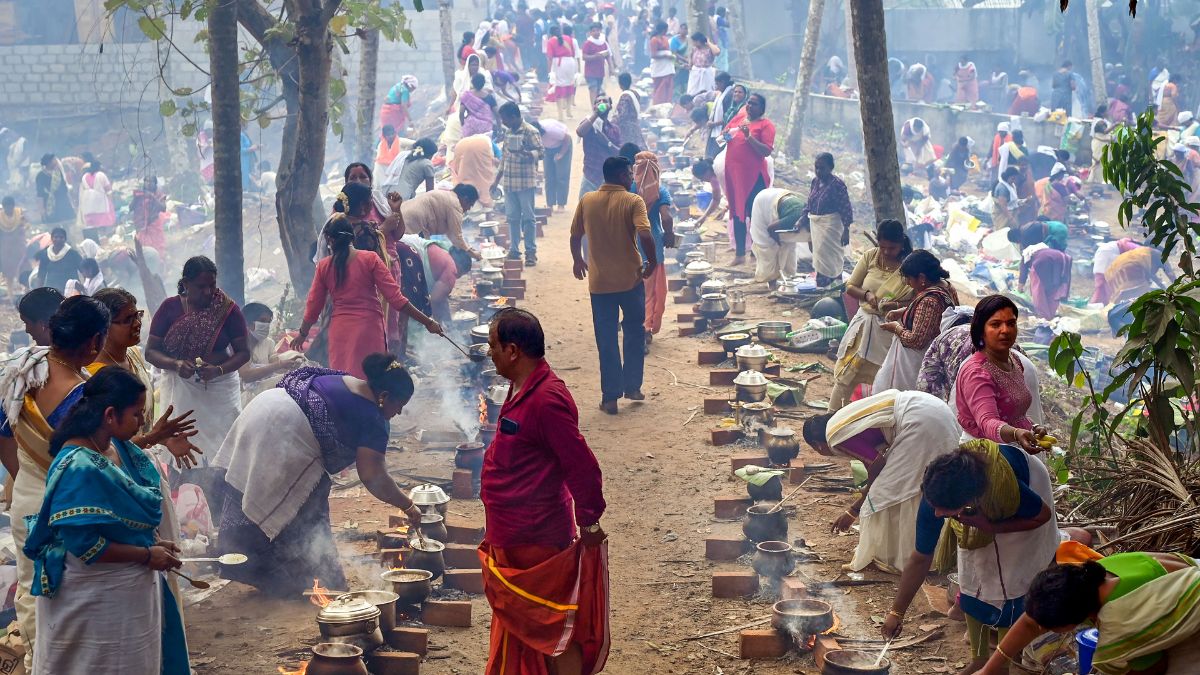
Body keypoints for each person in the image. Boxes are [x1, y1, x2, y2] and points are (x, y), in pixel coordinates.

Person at [213, 354, 428, 596]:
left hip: (262, 409)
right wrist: (408, 506)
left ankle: (253, 567)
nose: (398, 412)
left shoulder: (348, 381)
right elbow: (372, 475)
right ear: (384, 396)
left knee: (262, 490)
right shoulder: (373, 418)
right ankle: (312, 580)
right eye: (399, 404)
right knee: (310, 505)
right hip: (283, 434)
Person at [23, 367, 189, 674]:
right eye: (138, 414)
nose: (143, 422)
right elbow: (84, 545)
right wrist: (145, 554)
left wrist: (151, 541)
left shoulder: (117, 447)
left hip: (128, 598)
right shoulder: (78, 466)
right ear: (110, 415)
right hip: (94, 600)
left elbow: (119, 521)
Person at [479, 308, 609, 674]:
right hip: (511, 532)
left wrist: (590, 520)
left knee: (551, 628)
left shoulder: (547, 399)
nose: (490, 352)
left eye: (494, 345)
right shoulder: (520, 386)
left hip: (536, 536)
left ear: (514, 351)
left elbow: (580, 463)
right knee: (524, 626)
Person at [882, 441, 1059, 675]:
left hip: (1025, 514)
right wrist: (897, 612)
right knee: (973, 577)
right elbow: (921, 557)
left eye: (944, 510)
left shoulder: (1004, 489)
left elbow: (1042, 516)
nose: (937, 514)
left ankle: (1003, 662)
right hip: (978, 511)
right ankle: (980, 659)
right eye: (935, 507)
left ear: (970, 501)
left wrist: (989, 524)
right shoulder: (939, 491)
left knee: (1011, 585)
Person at [0, 295, 108, 667]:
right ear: (94, 342)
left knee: (33, 596)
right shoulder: (86, 395)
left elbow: (4, 436)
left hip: (29, 503)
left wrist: (27, 479)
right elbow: (98, 459)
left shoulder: (18, 371)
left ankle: (38, 665)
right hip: (71, 508)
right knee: (73, 599)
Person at [804, 389, 960, 573]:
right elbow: (873, 459)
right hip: (933, 410)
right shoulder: (840, 419)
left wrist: (855, 508)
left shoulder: (833, 437)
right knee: (914, 485)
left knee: (885, 492)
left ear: (818, 445)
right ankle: (924, 552)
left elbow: (877, 464)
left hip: (920, 424)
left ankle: (898, 558)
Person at [978, 548, 1200, 675]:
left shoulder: (1118, 622)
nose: (1040, 629)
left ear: (1074, 623)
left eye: (1047, 627)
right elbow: (1029, 622)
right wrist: (988, 670)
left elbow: (1154, 667)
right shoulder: (1092, 575)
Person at [144, 256, 251, 500]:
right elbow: (151, 352)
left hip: (221, 389)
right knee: (182, 438)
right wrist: (176, 363)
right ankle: (186, 501)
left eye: (212, 285)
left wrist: (219, 369)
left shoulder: (227, 310)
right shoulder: (169, 309)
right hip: (181, 388)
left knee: (225, 443)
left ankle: (226, 500)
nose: (209, 292)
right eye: (201, 286)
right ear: (185, 284)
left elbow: (243, 352)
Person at [294, 217, 442, 378]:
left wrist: (302, 334)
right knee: (370, 380)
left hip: (340, 331)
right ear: (353, 237)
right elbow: (397, 299)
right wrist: (428, 322)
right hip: (369, 329)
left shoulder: (324, 266)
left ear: (329, 239)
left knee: (344, 380)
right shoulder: (370, 259)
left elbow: (313, 305)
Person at [570, 156, 656, 415]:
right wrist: (651, 261)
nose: (632, 177)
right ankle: (632, 386)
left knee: (606, 339)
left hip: (600, 284)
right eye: (629, 173)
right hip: (630, 279)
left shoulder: (587, 200)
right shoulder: (633, 201)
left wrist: (578, 260)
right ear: (621, 176)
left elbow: (575, 235)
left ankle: (610, 398)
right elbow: (644, 233)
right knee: (633, 331)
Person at [830, 220, 914, 410]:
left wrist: (896, 305)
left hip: (890, 330)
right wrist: (867, 295)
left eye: (891, 248)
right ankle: (830, 417)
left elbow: (918, 299)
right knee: (846, 375)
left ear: (901, 243)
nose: (885, 252)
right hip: (863, 328)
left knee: (883, 382)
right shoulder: (870, 257)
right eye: (882, 246)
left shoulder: (910, 265)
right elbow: (850, 286)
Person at [955, 295, 1049, 453]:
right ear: (981, 330)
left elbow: (1012, 413)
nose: (1005, 330)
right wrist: (1016, 433)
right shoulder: (977, 372)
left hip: (1013, 447)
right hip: (985, 454)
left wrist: (1032, 427)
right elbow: (986, 421)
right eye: (995, 324)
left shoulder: (1014, 360)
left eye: (1011, 323)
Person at [874, 250, 959, 393]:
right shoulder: (946, 286)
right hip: (935, 357)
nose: (908, 283)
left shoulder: (929, 300)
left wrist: (896, 328)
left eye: (909, 278)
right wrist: (903, 311)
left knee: (902, 398)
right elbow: (935, 316)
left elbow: (916, 340)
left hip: (915, 363)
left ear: (921, 278)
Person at [723, 93, 775, 266]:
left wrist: (748, 136)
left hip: (753, 177)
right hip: (736, 176)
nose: (750, 106)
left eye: (754, 104)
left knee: (755, 215)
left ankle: (756, 253)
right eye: (748, 103)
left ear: (761, 108)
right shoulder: (739, 118)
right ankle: (739, 255)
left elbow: (766, 151)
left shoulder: (765, 125)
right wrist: (726, 135)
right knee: (738, 213)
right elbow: (726, 133)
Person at [494, 102, 545, 266]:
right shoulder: (508, 133)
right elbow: (504, 158)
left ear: (514, 116)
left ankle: (531, 252)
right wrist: (496, 181)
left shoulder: (530, 131)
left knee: (528, 218)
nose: (503, 122)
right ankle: (514, 250)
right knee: (512, 218)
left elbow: (541, 152)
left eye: (505, 119)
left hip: (525, 182)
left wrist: (525, 153)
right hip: (509, 182)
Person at [632, 151, 674, 348]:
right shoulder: (660, 191)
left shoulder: (628, 189)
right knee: (651, 290)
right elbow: (666, 218)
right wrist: (669, 234)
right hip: (653, 244)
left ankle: (635, 325)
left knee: (634, 289)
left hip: (630, 244)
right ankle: (645, 329)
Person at [799, 152, 853, 287]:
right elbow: (809, 204)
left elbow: (845, 207)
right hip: (817, 226)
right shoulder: (815, 182)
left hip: (831, 227)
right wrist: (801, 220)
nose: (818, 171)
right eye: (816, 167)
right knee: (820, 258)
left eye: (822, 168)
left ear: (831, 167)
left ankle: (834, 288)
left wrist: (846, 230)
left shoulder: (838, 185)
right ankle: (822, 288)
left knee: (831, 258)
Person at [238, 302, 303, 403]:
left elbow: (275, 363)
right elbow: (247, 376)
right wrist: (279, 365)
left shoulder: (268, 342)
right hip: (245, 396)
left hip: (265, 390)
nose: (266, 326)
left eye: (268, 322)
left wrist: (290, 365)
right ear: (248, 323)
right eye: (262, 321)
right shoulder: (238, 344)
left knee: (294, 357)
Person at [400, 184, 481, 259]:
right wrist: (473, 254)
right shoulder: (455, 204)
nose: (468, 209)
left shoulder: (448, 196)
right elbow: (456, 237)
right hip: (408, 226)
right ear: (465, 199)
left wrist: (469, 249)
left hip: (403, 217)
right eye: (470, 205)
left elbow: (452, 233)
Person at [747, 187, 805, 284]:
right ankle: (771, 280)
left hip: (779, 198)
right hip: (764, 202)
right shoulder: (794, 218)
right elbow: (771, 228)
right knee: (768, 247)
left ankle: (788, 278)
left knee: (789, 245)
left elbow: (812, 242)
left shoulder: (812, 222)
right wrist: (778, 241)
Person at [576, 95, 623, 194]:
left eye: (605, 101)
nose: (601, 103)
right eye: (598, 102)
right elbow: (580, 132)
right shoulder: (590, 124)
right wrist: (596, 114)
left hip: (608, 179)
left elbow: (620, 153)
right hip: (590, 176)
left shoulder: (614, 129)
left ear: (610, 106)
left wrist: (607, 143)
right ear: (594, 107)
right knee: (586, 209)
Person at [1007, 218, 1069, 292]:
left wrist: (1021, 283)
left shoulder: (1026, 236)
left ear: (1016, 239)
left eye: (1017, 242)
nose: (1018, 243)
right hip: (1057, 225)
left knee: (1055, 256)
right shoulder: (1023, 229)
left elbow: (1025, 260)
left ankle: (1060, 283)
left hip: (1057, 231)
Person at [450, 134, 498, 209]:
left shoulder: (462, 142)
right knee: (484, 183)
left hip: (461, 147)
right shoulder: (488, 143)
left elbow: (456, 165)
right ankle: (487, 212)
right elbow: (497, 161)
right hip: (481, 147)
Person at [536, 118, 572, 212]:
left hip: (562, 145)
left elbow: (566, 138)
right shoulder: (533, 133)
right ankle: (550, 204)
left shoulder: (551, 130)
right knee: (548, 176)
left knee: (561, 175)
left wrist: (561, 154)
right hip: (547, 149)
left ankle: (561, 204)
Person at [545, 24, 579, 118]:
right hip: (570, 63)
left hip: (559, 64)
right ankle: (568, 111)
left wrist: (549, 71)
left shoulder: (550, 41)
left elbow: (550, 58)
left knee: (558, 86)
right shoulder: (568, 38)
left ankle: (560, 114)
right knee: (569, 85)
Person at [35, 227, 83, 293]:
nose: (58, 239)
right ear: (51, 239)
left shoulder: (73, 253)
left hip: (71, 290)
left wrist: (86, 286)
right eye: (56, 237)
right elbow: (41, 275)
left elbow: (84, 270)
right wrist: (37, 292)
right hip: (52, 291)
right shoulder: (45, 254)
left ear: (65, 239)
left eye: (61, 237)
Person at [77, 160, 116, 241]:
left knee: (93, 223)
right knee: (103, 221)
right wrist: (111, 200)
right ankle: (104, 236)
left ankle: (97, 238)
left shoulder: (84, 177)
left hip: (88, 203)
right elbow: (108, 190)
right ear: (99, 166)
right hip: (100, 201)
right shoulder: (101, 175)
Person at [130, 176, 167, 254]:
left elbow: (163, 208)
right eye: (146, 181)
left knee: (157, 247)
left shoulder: (159, 195)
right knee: (144, 248)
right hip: (141, 226)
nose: (148, 183)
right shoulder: (139, 194)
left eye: (151, 182)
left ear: (155, 184)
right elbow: (131, 208)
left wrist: (152, 197)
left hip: (154, 224)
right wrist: (135, 198)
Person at [35, 154, 74, 227]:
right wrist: (42, 210)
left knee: (67, 225)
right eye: (53, 160)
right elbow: (40, 194)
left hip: (63, 202)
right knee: (54, 227)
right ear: (48, 162)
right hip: (50, 204)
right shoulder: (41, 176)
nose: (56, 161)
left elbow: (64, 187)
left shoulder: (58, 172)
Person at [0, 196, 27, 292]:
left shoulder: (19, 213)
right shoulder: (0, 216)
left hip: (18, 245)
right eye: (6, 207)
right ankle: (11, 294)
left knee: (22, 267)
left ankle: (25, 291)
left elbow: (24, 227)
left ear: (13, 206)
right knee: (9, 272)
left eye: (10, 207)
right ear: (3, 207)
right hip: (5, 247)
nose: (9, 209)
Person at [581, 22, 613, 101]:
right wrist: (594, 56)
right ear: (590, 32)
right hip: (590, 72)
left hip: (600, 71)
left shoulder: (603, 43)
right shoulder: (587, 43)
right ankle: (594, 109)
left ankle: (596, 107)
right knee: (593, 89)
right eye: (594, 31)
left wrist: (611, 68)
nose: (596, 32)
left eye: (598, 30)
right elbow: (584, 57)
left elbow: (608, 56)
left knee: (598, 90)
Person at [460, 73, 498, 138]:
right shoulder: (489, 97)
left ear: (472, 83)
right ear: (483, 83)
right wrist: (499, 129)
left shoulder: (466, 96)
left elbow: (461, 112)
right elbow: (497, 114)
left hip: (470, 126)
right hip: (486, 127)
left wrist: (463, 124)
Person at [613, 72, 645, 150]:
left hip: (626, 130)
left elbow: (621, 115)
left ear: (620, 84)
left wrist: (611, 123)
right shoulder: (635, 94)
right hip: (635, 126)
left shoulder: (625, 96)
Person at [991, 166, 1026, 232]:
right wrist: (1010, 218)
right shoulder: (1002, 188)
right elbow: (1003, 206)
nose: (1014, 180)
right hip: (1003, 215)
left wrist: (1023, 201)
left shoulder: (1012, 185)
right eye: (1013, 178)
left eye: (1015, 179)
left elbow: (1013, 201)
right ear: (1008, 177)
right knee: (1002, 232)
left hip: (1011, 213)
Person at [648, 21, 675, 105]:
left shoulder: (665, 39)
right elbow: (654, 54)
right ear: (663, 29)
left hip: (667, 67)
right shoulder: (654, 40)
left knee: (668, 85)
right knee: (659, 87)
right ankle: (657, 104)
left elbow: (668, 50)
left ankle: (667, 103)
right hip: (658, 67)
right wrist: (665, 56)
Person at [687, 32, 719, 96]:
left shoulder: (709, 48)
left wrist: (708, 42)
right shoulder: (694, 49)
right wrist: (689, 66)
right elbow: (691, 59)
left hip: (707, 72)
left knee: (707, 91)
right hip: (696, 72)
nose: (693, 43)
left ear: (698, 41)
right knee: (693, 91)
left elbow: (717, 52)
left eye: (694, 41)